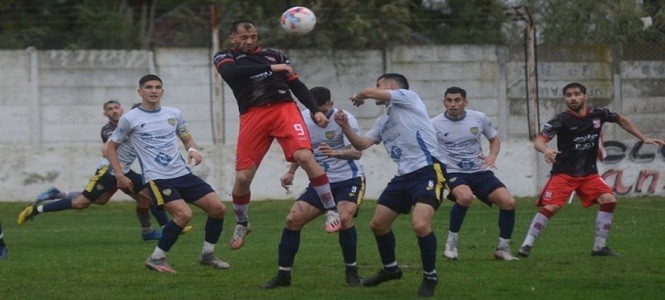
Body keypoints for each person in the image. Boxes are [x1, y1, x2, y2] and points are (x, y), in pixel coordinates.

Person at [212, 20, 341, 250]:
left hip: (284, 109)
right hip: (253, 115)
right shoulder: (225, 56)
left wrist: (314, 111)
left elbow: (298, 85)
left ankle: (331, 211)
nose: (250, 41)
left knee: (304, 156)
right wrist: (270, 69)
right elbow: (231, 73)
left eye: (253, 36)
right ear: (232, 38)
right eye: (244, 37)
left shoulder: (275, 55)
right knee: (242, 179)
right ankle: (242, 223)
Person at [518, 82, 665, 258]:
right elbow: (539, 141)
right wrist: (546, 149)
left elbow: (621, 119)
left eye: (576, 94)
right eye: (569, 95)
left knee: (609, 200)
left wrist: (643, 138)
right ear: (565, 98)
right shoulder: (561, 120)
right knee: (553, 206)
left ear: (585, 96)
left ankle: (599, 248)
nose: (573, 98)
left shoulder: (599, 113)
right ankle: (526, 245)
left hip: (588, 174)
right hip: (564, 173)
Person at [334, 73, 447, 298]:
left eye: (380, 85)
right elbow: (362, 144)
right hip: (403, 176)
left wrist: (360, 96)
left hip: (428, 170)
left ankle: (430, 277)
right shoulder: (384, 119)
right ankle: (391, 269)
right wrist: (345, 126)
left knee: (420, 224)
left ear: (392, 87)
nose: (377, 89)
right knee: (378, 224)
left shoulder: (408, 97)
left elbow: (367, 92)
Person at [107, 74, 229, 273]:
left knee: (218, 209)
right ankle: (156, 258)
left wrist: (192, 150)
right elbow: (110, 148)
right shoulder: (130, 118)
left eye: (157, 87)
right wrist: (119, 175)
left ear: (162, 91)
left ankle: (207, 254)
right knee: (184, 214)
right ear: (140, 92)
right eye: (148, 87)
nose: (153, 90)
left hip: (183, 174)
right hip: (158, 178)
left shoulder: (174, 113)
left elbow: (187, 139)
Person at [17, 101, 174, 241]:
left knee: (137, 199)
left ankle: (149, 232)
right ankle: (36, 209)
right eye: (110, 109)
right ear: (105, 113)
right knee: (81, 203)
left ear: (122, 110)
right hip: (110, 170)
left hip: (123, 170)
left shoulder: (132, 126)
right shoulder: (110, 129)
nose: (114, 111)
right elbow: (108, 149)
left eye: (117, 108)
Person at [262, 87, 366, 289]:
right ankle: (283, 276)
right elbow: (301, 150)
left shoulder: (345, 118)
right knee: (293, 220)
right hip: (320, 182)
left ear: (331, 105)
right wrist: (291, 171)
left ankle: (352, 273)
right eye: (313, 111)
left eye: (324, 111)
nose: (319, 116)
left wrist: (335, 152)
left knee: (344, 219)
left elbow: (357, 153)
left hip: (349, 179)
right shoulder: (301, 119)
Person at [431, 87, 518, 261]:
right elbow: (426, 148)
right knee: (465, 197)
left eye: (457, 100)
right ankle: (451, 243)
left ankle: (503, 248)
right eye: (449, 100)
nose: (453, 104)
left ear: (465, 102)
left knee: (509, 202)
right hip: (454, 171)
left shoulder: (479, 118)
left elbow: (494, 139)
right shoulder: (434, 123)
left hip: (479, 171)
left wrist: (492, 157)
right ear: (444, 103)